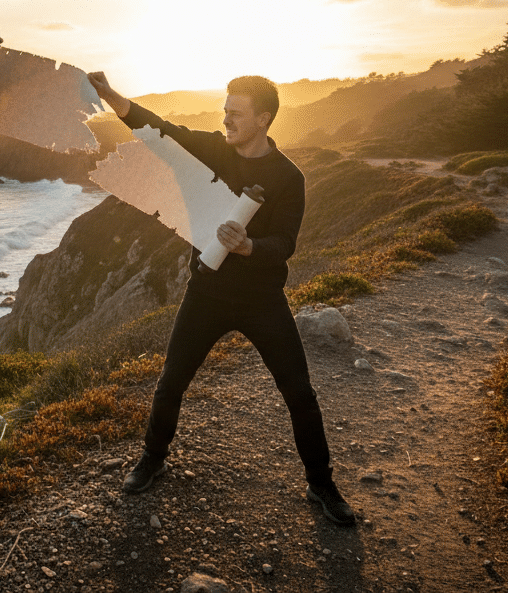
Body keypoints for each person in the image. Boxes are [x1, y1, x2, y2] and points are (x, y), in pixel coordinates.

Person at [86, 71, 356, 526]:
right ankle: (153, 458)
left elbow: (285, 242)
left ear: (263, 119)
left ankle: (321, 483)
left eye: (236, 113)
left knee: (300, 394)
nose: (225, 119)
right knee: (171, 381)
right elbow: (161, 132)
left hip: (261, 298)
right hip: (207, 291)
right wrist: (114, 98)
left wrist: (250, 247)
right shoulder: (213, 149)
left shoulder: (289, 177)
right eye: (224, 111)